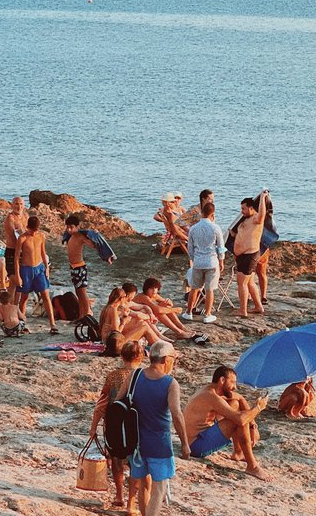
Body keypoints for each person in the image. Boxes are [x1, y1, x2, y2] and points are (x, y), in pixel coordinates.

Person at [115, 340, 189, 516]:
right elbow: (176, 415)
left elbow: (118, 403)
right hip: (159, 445)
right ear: (165, 359)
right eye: (173, 358)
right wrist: (185, 443)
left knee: (143, 486)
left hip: (136, 443)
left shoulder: (134, 376)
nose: (173, 362)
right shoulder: (170, 384)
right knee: (159, 489)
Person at [183, 366, 271, 481]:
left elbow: (240, 398)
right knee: (239, 419)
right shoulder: (211, 396)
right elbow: (241, 420)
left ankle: (238, 453)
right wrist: (259, 407)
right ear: (222, 380)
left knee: (234, 403)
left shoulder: (212, 389)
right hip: (195, 446)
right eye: (233, 382)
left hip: (197, 438)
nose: (235, 387)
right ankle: (252, 466)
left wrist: (253, 426)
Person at [89, 340, 146, 511]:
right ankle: (132, 500)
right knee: (135, 461)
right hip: (136, 424)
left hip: (114, 423)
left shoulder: (113, 376)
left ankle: (119, 495)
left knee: (116, 460)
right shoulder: (144, 376)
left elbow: (102, 403)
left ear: (122, 356)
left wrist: (93, 427)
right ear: (141, 356)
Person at [63, 214, 114, 319]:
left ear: (77, 226)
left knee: (82, 293)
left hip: (80, 268)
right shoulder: (70, 236)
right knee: (78, 292)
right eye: (67, 227)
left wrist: (95, 235)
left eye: (71, 227)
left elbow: (94, 245)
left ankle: (87, 314)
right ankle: (81, 316)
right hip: (73, 267)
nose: (69, 230)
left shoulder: (81, 237)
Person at [183, 202, 226, 323]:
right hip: (211, 261)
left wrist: (193, 258)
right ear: (213, 214)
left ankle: (189, 312)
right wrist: (221, 260)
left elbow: (190, 248)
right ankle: (207, 314)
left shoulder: (193, 228)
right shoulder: (215, 228)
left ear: (202, 213)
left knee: (194, 288)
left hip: (198, 262)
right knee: (209, 289)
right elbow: (220, 247)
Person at [15, 215, 57, 334]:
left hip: (39, 269)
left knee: (45, 295)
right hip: (26, 270)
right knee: (24, 297)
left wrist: (47, 268)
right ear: (27, 227)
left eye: (35, 230)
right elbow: (16, 258)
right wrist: (18, 275)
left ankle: (52, 324)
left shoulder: (41, 236)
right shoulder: (22, 239)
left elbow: (43, 253)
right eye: (31, 230)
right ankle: (21, 324)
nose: (33, 233)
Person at [233, 192, 268, 317]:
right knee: (250, 282)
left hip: (250, 254)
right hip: (242, 255)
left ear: (251, 208)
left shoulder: (256, 218)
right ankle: (258, 306)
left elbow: (262, 214)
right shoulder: (245, 220)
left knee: (242, 283)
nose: (241, 211)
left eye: (243, 208)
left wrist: (263, 198)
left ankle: (243, 310)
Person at [3, 196, 28, 304]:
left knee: (17, 283)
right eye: (17, 204)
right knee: (15, 280)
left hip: (23, 251)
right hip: (12, 251)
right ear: (12, 205)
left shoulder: (25, 216)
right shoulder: (10, 218)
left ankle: (12, 306)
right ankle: (10, 305)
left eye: (21, 204)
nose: (19, 206)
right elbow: (14, 237)